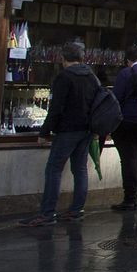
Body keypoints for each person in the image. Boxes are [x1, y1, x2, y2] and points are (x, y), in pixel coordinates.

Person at [18, 41, 99, 227]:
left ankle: (47, 212)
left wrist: (44, 132)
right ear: (81, 57)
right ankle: (77, 209)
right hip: (86, 129)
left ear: (63, 59)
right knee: (80, 169)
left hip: (67, 129)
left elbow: (56, 108)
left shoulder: (64, 77)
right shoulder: (91, 76)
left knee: (54, 169)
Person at [109, 46, 137, 211]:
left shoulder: (125, 74)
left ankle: (130, 198)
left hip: (126, 121)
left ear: (128, 61)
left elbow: (116, 98)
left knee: (128, 160)